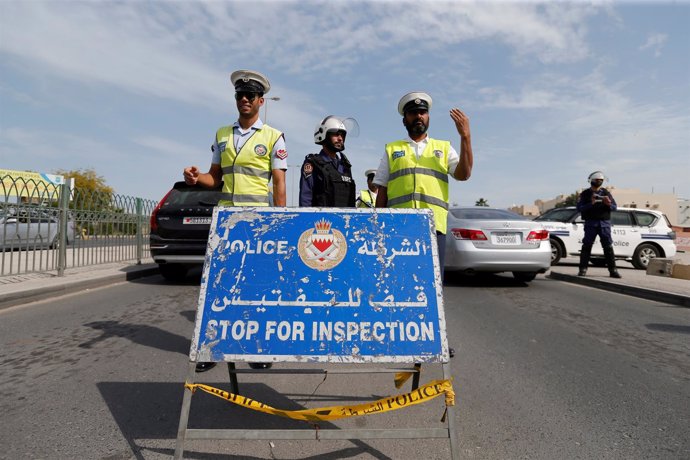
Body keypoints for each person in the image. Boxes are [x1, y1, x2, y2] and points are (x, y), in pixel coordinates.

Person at [183, 69, 287, 372]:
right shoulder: (221, 135)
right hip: (227, 222)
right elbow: (213, 178)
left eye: (250, 95)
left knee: (256, 286)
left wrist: (279, 222)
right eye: (240, 95)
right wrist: (194, 178)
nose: (244, 99)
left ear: (260, 101)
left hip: (258, 222)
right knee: (221, 285)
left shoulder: (273, 137)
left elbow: (279, 182)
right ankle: (212, 349)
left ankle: (257, 349)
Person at [373, 91, 473, 274]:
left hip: (434, 228)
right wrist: (378, 227)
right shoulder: (392, 149)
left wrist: (465, 137)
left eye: (422, 112)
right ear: (404, 120)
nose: (418, 116)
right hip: (398, 227)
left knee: (433, 284)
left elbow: (464, 174)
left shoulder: (443, 147)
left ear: (428, 117)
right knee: (398, 280)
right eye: (413, 113)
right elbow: (382, 189)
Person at [298, 116, 356, 207]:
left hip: (345, 220)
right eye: (336, 134)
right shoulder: (313, 164)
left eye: (342, 135)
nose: (340, 138)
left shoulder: (345, 166)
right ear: (323, 134)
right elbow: (306, 198)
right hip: (322, 220)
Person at [576, 171, 621, 278]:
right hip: (591, 223)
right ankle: (583, 269)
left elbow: (615, 207)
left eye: (601, 180)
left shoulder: (606, 193)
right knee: (587, 246)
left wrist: (608, 204)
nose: (599, 182)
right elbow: (579, 208)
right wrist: (590, 203)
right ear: (591, 181)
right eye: (597, 180)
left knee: (608, 247)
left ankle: (613, 270)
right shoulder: (585, 194)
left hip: (604, 224)